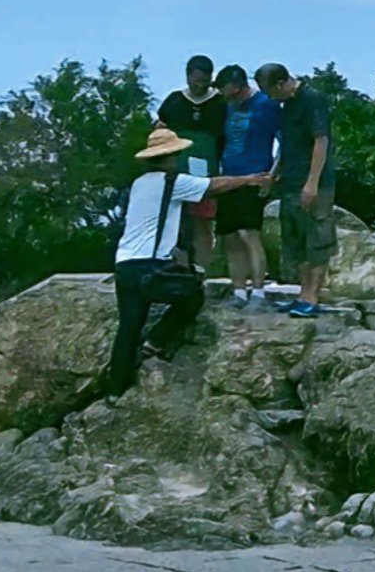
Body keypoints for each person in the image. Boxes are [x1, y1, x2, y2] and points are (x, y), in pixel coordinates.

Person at [75, 125, 238, 408]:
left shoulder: (138, 184)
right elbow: (214, 186)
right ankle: (157, 341)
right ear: (171, 156)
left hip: (125, 264)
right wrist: (251, 180)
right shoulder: (173, 182)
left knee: (128, 327)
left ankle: (116, 390)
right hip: (150, 266)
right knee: (192, 297)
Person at [257, 63, 336, 318]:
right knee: (296, 240)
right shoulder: (286, 106)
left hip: (314, 182)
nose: (271, 98)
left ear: (281, 83)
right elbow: (286, 145)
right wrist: (273, 173)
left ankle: (313, 297)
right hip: (289, 181)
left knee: (317, 239)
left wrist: (312, 182)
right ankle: (302, 294)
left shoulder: (312, 99)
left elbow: (321, 140)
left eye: (271, 91)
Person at [214, 64, 279, 306]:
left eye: (233, 94)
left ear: (242, 87)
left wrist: (272, 176)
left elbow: (284, 141)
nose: (230, 99)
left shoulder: (265, 105)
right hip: (229, 175)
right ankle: (239, 289)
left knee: (248, 233)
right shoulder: (227, 106)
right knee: (230, 236)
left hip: (256, 174)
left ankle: (259, 290)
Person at [157, 55, 227, 268]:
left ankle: (200, 272)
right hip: (176, 173)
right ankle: (173, 268)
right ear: (188, 76)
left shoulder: (220, 103)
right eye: (195, 80)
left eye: (204, 80)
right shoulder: (174, 101)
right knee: (173, 223)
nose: (199, 85)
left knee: (202, 223)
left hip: (206, 175)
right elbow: (160, 129)